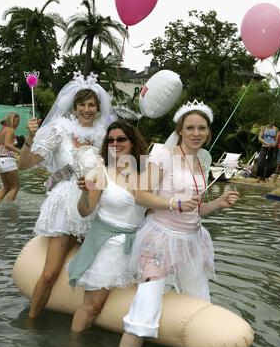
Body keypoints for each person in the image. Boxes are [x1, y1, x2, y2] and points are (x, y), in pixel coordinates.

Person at [118, 101, 240, 347]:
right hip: (160, 239)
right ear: (180, 130)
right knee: (145, 308)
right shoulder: (164, 155)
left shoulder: (202, 161)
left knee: (200, 301)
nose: (196, 133)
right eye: (190, 128)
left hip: (192, 241)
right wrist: (174, 203)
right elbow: (140, 195)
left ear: (208, 131)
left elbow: (194, 209)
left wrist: (217, 203)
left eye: (202, 128)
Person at [68, 120, 196, 332]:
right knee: (92, 306)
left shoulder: (147, 174)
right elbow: (85, 211)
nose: (115, 144)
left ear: (132, 142)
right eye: (110, 140)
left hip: (137, 246)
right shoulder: (102, 172)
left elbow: (154, 210)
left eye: (121, 139)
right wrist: (83, 192)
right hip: (106, 246)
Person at [18, 72, 111, 320]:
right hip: (64, 205)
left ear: (98, 108)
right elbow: (24, 165)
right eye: (82, 104)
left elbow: (118, 172)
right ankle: (31, 323)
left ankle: (83, 324)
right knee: (49, 274)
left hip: (94, 205)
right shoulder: (59, 131)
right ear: (74, 106)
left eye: (92, 104)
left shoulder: (106, 137)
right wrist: (29, 138)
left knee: (92, 274)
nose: (87, 109)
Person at [0, 112, 21, 202]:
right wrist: (20, 152)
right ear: (12, 119)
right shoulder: (10, 130)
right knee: (15, 187)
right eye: (17, 121)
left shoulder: (0, 131)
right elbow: (7, 145)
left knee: (6, 187)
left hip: (0, 160)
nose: (18, 123)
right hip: (8, 161)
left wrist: (3, 151)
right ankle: (8, 210)